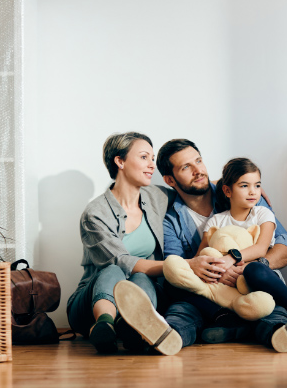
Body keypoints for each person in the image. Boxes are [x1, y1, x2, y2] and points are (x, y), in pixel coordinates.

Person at [67, 132, 225, 355]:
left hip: (143, 291)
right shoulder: (95, 214)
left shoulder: (155, 197)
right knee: (114, 269)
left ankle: (137, 325)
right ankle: (104, 324)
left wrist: (235, 186)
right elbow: (121, 261)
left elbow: (190, 185)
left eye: (152, 158)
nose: (152, 165)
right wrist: (185, 265)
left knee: (141, 276)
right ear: (119, 161)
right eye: (144, 157)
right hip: (92, 302)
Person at [158, 139, 287, 352]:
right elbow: (181, 263)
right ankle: (165, 336)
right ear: (170, 180)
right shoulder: (172, 220)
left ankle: (280, 332)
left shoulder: (248, 195)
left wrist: (247, 267)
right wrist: (203, 267)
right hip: (214, 289)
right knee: (176, 295)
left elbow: (286, 247)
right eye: (186, 167)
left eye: (199, 161)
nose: (198, 171)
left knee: (268, 306)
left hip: (252, 280)